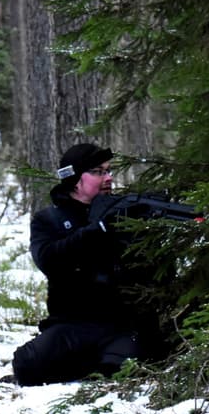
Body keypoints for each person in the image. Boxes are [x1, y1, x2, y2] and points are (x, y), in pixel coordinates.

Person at [11, 143, 163, 386]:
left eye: (109, 171)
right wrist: (97, 230)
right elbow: (49, 259)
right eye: (98, 172)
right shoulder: (49, 220)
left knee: (120, 370)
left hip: (122, 326)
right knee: (27, 364)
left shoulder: (129, 214)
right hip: (72, 325)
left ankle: (98, 363)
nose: (108, 177)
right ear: (74, 180)